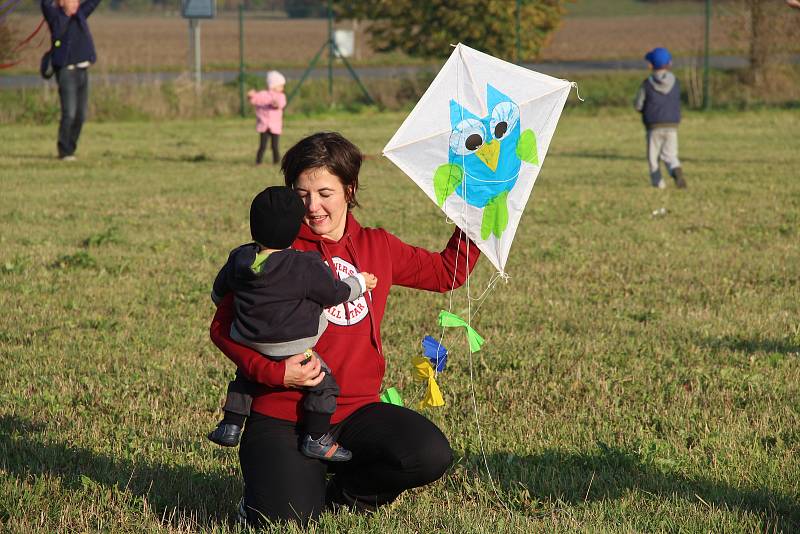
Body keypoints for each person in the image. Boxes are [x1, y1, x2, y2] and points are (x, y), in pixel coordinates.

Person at [209, 132, 481, 526]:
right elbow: (222, 327)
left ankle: (344, 495)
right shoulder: (270, 255)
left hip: (356, 411)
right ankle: (277, 493)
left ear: (348, 190)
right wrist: (276, 372)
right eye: (301, 194)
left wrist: (473, 222)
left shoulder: (377, 246)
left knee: (428, 453)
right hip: (283, 414)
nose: (313, 206)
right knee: (284, 521)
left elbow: (445, 273)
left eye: (324, 193)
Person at [208, 185, 377, 463]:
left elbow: (219, 293)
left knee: (245, 376)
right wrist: (360, 282)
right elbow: (335, 294)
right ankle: (316, 438)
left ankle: (231, 425)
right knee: (324, 384)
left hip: (247, 339)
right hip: (292, 345)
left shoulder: (239, 257)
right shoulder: (305, 265)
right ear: (294, 229)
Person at [41, 0, 101, 161]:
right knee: (70, 113)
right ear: (61, 3)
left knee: (81, 115)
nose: (76, 2)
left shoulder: (80, 15)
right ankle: (64, 151)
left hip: (83, 70)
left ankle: (71, 148)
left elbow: (94, 2)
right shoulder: (55, 17)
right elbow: (45, 3)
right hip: (66, 72)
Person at [633, 47, 687, 189]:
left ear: (651, 65)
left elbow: (638, 105)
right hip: (672, 125)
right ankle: (675, 169)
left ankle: (658, 184)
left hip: (654, 126)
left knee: (653, 158)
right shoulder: (675, 82)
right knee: (670, 155)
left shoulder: (647, 84)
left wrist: (642, 109)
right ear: (669, 63)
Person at [248, 70, 287, 165]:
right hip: (264, 124)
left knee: (274, 146)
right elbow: (254, 100)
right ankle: (258, 162)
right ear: (273, 85)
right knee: (262, 146)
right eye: (280, 85)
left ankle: (276, 161)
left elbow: (281, 104)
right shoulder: (263, 95)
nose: (283, 88)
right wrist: (250, 96)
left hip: (275, 125)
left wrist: (276, 104)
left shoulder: (281, 96)